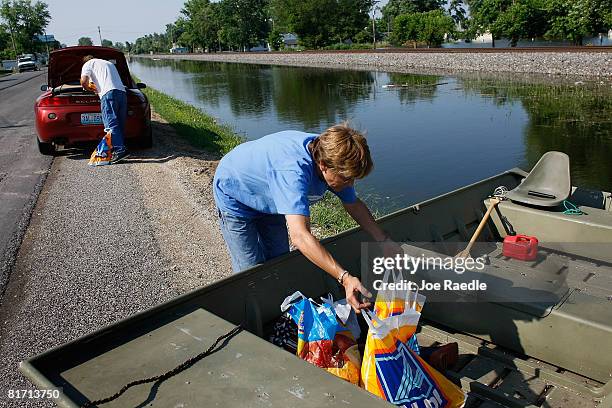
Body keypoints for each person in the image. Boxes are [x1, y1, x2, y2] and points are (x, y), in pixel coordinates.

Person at [213, 124, 401, 312]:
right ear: (323, 165)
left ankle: (277, 313)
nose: (350, 184)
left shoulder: (331, 152)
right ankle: (250, 319)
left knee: (278, 261)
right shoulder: (292, 172)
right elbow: (300, 237)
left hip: (270, 194)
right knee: (250, 270)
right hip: (235, 194)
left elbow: (352, 204)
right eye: (346, 179)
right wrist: (344, 277)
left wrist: (383, 240)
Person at [80, 55, 129, 163]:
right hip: (122, 93)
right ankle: (120, 147)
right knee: (119, 123)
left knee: (111, 124)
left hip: (108, 94)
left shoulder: (87, 64)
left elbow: (83, 81)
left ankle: (120, 150)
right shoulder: (108, 63)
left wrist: (89, 89)